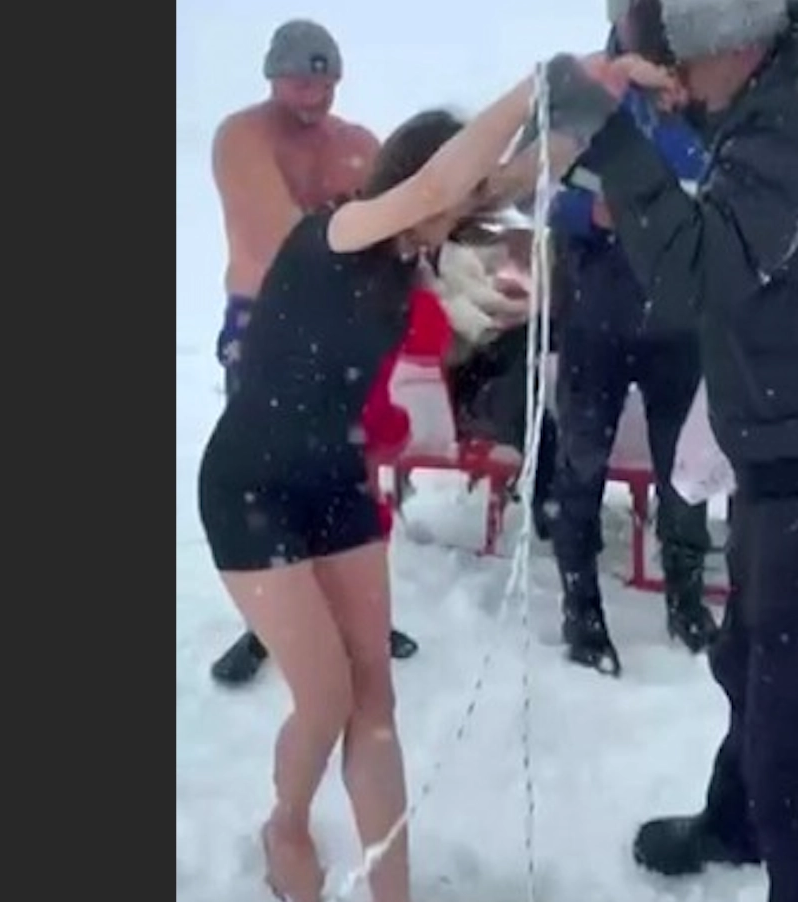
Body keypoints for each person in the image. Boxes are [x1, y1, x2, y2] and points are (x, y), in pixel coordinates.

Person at [536, 0, 798, 900]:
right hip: (785, 464)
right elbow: (725, 199)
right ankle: (735, 824)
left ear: (725, 34)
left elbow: (696, 273)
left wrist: (610, 137)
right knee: (747, 669)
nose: (674, 85)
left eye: (675, 64)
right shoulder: (776, 97)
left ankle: (781, 844)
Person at [196, 54, 557, 895]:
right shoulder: (335, 233)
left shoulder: (409, 261)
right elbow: (444, 184)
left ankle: (392, 889)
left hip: (334, 483)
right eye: (450, 203)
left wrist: (598, 92)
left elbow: (496, 182)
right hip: (249, 485)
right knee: (324, 698)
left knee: (374, 702)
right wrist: (536, 83)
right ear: (417, 181)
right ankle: (285, 827)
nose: (458, 223)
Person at [207, 18, 416, 686]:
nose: (314, 94)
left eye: (325, 82)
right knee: (268, 474)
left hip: (343, 328)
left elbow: (398, 218)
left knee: (345, 469)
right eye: (300, 81)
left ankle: (360, 610)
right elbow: (284, 236)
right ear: (273, 76)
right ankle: (268, 623)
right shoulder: (243, 136)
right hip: (263, 321)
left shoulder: (358, 143)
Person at [546, 20, 717, 677]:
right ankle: (581, 608)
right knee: (582, 464)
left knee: (686, 471)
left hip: (680, 330)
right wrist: (588, 214)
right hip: (596, 326)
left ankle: (686, 600)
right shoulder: (585, 115)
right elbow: (534, 199)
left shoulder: (703, 122)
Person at [432, 242, 560, 538]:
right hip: (464, 379)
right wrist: (510, 313)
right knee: (522, 400)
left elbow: (476, 296)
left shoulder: (446, 255)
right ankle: (549, 503)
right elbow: (462, 310)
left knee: (543, 337)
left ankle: (550, 499)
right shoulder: (419, 270)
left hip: (480, 360)